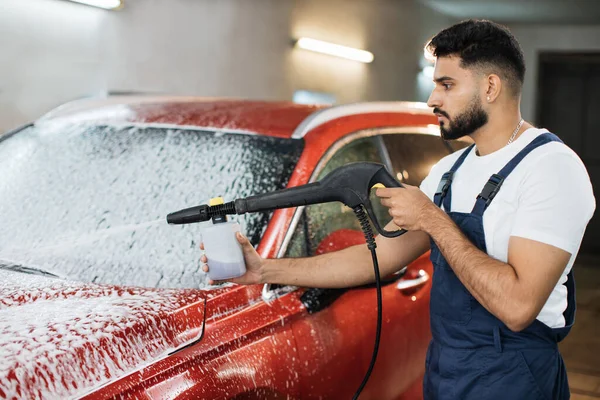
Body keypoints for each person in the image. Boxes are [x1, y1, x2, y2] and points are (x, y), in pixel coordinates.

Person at [201, 20, 595, 399]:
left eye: (447, 84)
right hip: (446, 369)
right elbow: (377, 256)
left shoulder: (550, 169)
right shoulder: (448, 171)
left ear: (490, 86)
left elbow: (517, 307)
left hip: (513, 378)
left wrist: (433, 220)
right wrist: (264, 269)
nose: (432, 98)